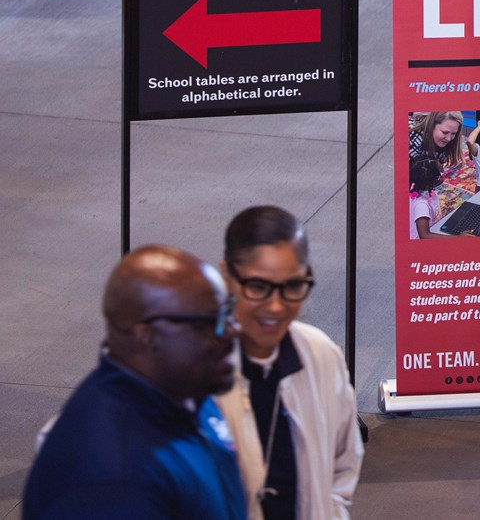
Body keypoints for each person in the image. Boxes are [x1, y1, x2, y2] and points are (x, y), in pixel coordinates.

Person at [25, 245, 248, 519]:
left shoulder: (188, 392)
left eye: (229, 313)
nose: (234, 330)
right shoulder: (112, 481)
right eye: (211, 322)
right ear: (148, 336)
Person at [215, 207, 363, 520]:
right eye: (258, 287)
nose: (276, 306)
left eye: (293, 287)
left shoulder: (321, 355)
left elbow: (344, 462)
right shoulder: (191, 372)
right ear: (227, 277)